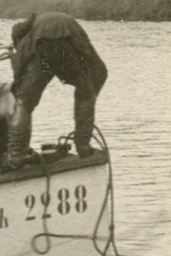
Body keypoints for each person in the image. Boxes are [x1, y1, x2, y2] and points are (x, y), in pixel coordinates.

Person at [6, 12, 108, 168]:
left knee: (24, 103)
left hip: (42, 48)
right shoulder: (58, 20)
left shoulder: (27, 36)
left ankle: (16, 155)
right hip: (68, 43)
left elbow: (20, 74)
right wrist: (90, 92)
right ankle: (83, 147)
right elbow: (99, 68)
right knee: (86, 93)